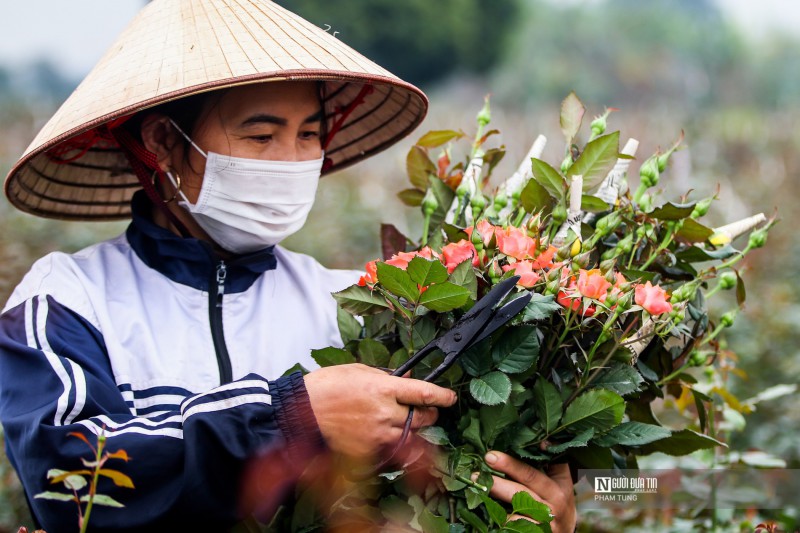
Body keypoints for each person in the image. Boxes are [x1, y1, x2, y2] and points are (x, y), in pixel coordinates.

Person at [0, 1, 576, 531]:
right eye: (261, 134)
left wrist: (533, 510)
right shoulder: (69, 299)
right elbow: (68, 477)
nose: (294, 161)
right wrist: (289, 414)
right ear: (163, 144)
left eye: (308, 134)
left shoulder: (351, 303)